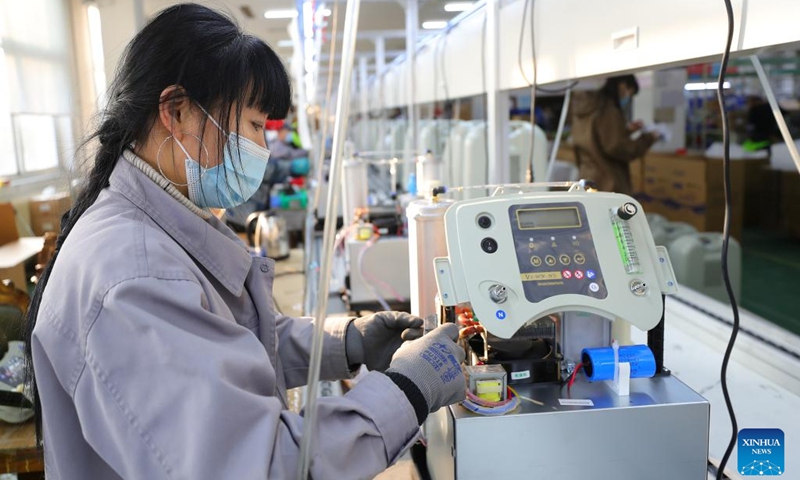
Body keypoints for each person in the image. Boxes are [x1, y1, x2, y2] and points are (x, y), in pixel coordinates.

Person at [24, 4, 466, 479]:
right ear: (177, 112)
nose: (264, 149)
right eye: (255, 126)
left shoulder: (157, 226)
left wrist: (347, 342)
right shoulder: (135, 278)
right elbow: (261, 467)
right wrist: (407, 390)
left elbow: (223, 339)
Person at [571, 75, 661, 194]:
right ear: (622, 85)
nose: (628, 97)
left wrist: (626, 130)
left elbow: (595, 137)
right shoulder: (608, 110)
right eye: (630, 92)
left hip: (587, 178)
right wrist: (648, 138)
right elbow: (616, 147)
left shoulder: (585, 108)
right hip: (607, 182)